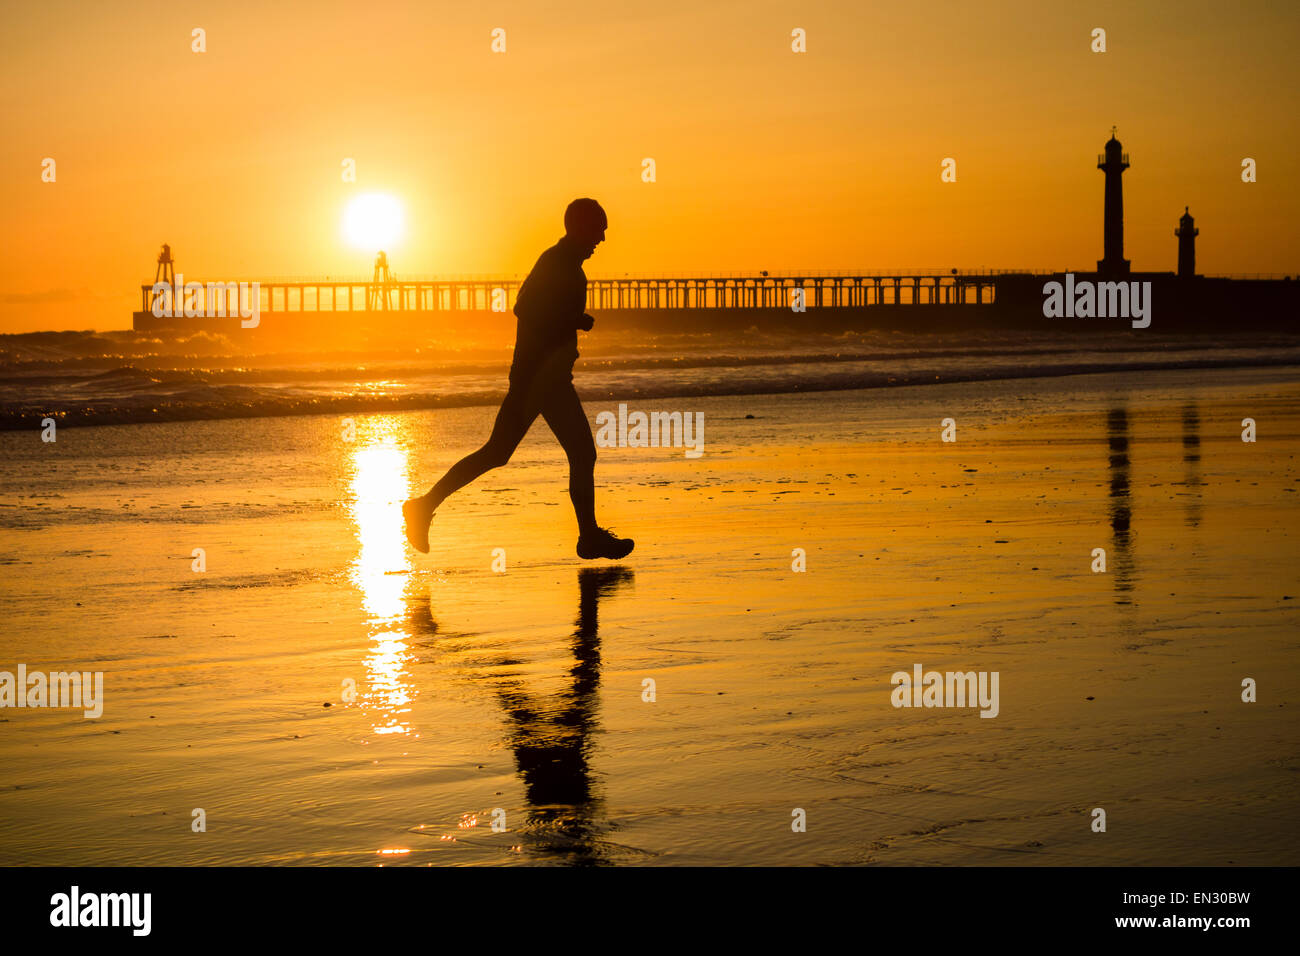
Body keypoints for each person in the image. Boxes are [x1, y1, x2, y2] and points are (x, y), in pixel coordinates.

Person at [402, 198, 634, 560]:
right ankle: (588, 537)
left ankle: (424, 505)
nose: (602, 238)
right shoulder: (557, 263)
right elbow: (524, 307)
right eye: (598, 229)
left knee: (502, 452)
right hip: (539, 381)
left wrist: (570, 320)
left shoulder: (566, 265)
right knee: (577, 453)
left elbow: (535, 309)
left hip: (547, 379)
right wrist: (573, 320)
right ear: (578, 227)